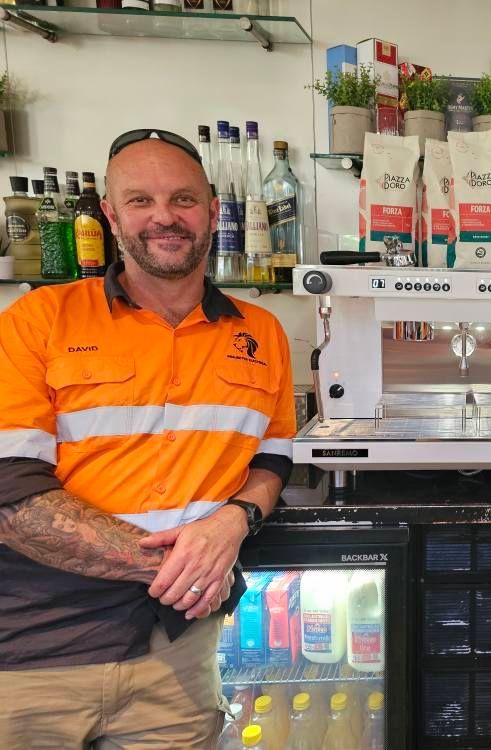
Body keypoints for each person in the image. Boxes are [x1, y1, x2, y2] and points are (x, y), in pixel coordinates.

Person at [0, 129, 296, 748]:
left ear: (212, 210)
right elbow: (12, 496)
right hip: (33, 655)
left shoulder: (262, 332)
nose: (165, 217)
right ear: (110, 216)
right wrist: (190, 571)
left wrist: (235, 519)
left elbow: (272, 458)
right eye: (141, 200)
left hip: (178, 655)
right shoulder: (37, 320)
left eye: (183, 199)